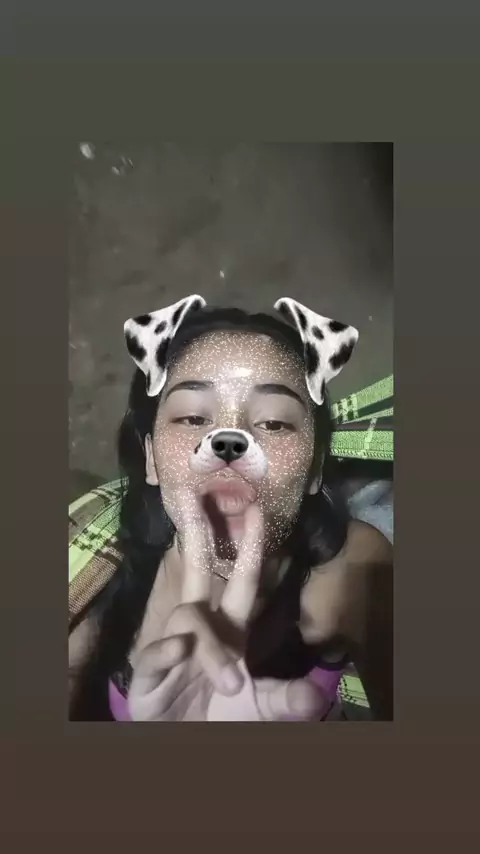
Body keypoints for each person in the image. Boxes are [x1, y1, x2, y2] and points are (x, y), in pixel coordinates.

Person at [69, 295, 393, 721]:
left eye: (274, 423)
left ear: (315, 469)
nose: (230, 440)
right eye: (193, 418)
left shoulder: (355, 569)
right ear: (150, 459)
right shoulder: (88, 595)